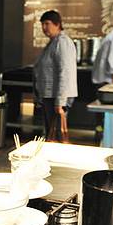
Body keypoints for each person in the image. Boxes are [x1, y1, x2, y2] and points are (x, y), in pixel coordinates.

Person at [33, 10, 77, 142]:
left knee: (56, 136)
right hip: (50, 96)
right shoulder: (53, 42)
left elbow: (65, 72)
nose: (44, 27)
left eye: (47, 23)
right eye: (42, 24)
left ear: (57, 24)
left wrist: (60, 102)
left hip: (56, 97)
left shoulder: (62, 42)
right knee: (51, 134)